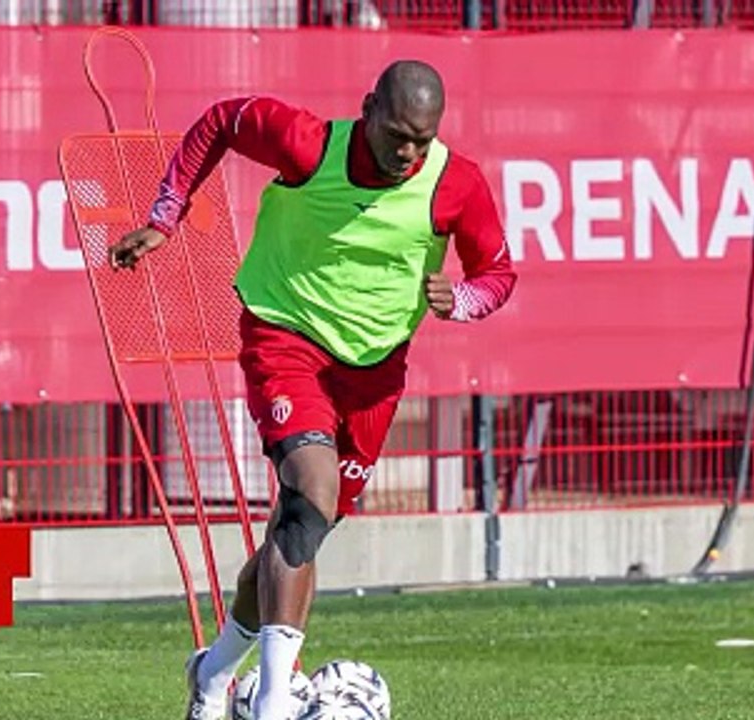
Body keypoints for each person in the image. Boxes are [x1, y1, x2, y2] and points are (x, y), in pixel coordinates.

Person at [109, 59, 517, 720]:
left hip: (374, 373)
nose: (407, 153)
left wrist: (463, 299)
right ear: (369, 109)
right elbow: (222, 122)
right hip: (286, 337)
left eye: (421, 140)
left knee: (300, 527)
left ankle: (212, 675)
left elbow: (497, 273)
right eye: (396, 135)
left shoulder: (455, 182)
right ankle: (273, 703)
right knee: (313, 491)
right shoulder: (307, 144)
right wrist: (166, 215)